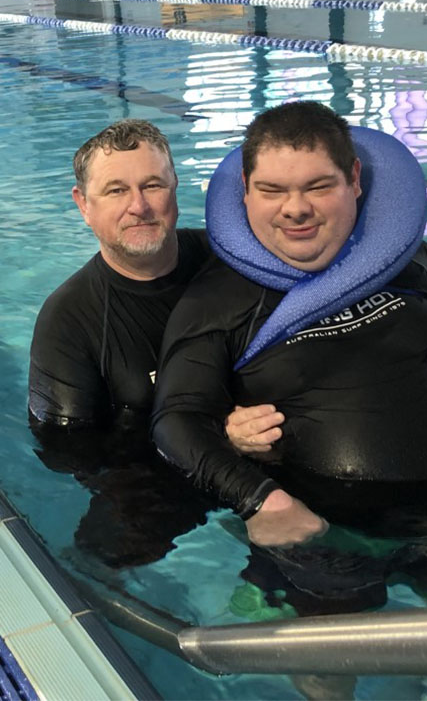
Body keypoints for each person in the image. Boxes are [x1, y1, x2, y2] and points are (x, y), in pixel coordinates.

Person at [152, 101, 427, 551]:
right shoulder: (215, 301)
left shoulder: (405, 261)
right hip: (317, 533)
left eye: (318, 186)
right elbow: (177, 420)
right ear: (244, 189)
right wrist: (258, 501)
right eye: (272, 190)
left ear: (355, 180)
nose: (295, 209)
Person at [27, 119, 278, 567]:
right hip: (163, 476)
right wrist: (213, 440)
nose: (139, 206)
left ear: (175, 188)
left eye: (152, 184)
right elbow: (72, 455)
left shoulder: (233, 261)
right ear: (84, 205)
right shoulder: (69, 321)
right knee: (110, 553)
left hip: (275, 446)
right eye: (116, 191)